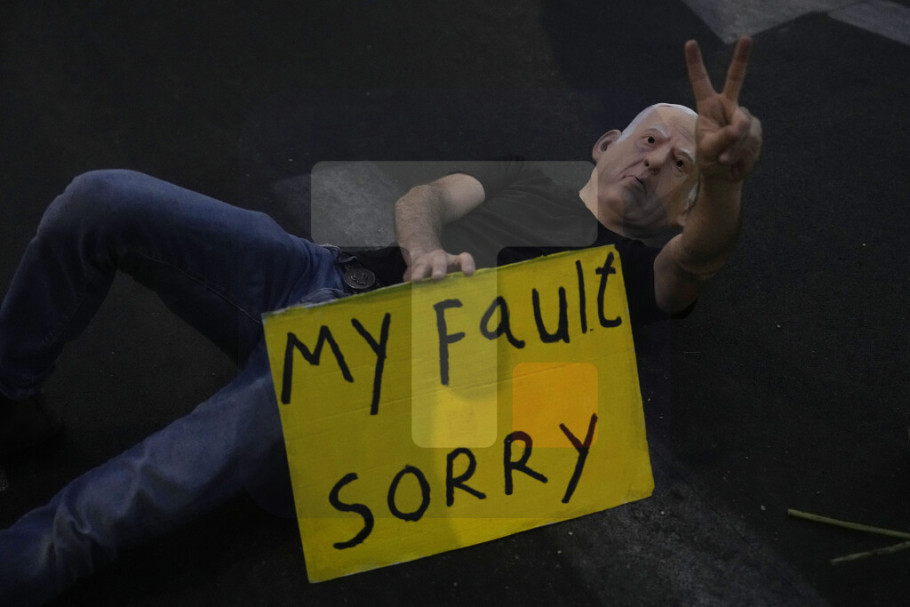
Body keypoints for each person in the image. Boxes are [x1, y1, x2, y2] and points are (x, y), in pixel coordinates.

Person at [0, 38, 762, 605]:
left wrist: (726, 180)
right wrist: (424, 251)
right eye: (650, 139)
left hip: (362, 390)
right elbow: (424, 198)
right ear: (604, 146)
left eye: (684, 166)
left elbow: (699, 260)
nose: (656, 160)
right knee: (102, 199)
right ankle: (11, 398)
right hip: (317, 274)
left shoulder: (631, 278)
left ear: (685, 209)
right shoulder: (530, 175)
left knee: (108, 506)